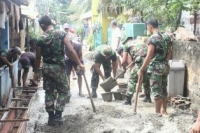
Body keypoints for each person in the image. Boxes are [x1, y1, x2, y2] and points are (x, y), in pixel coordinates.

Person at [35, 15, 84, 126]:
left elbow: (38, 57)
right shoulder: (62, 34)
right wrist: (79, 63)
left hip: (46, 67)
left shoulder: (40, 38)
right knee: (63, 91)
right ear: (50, 23)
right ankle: (58, 115)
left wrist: (36, 72)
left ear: (43, 25)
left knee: (49, 91)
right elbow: (70, 50)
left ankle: (51, 118)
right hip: (58, 67)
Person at [137, 19, 172, 115]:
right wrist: (165, 61)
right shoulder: (167, 37)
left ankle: (157, 114)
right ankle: (164, 111)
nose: (147, 29)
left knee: (156, 91)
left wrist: (142, 68)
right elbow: (170, 51)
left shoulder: (152, 38)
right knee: (164, 89)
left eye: (147, 27)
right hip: (165, 67)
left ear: (150, 26)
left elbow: (149, 55)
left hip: (156, 68)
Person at [121, 34, 151, 105]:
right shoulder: (140, 42)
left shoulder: (126, 45)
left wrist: (124, 69)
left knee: (132, 80)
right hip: (148, 61)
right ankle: (148, 97)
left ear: (124, 41)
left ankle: (127, 101)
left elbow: (124, 61)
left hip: (140, 62)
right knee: (146, 80)